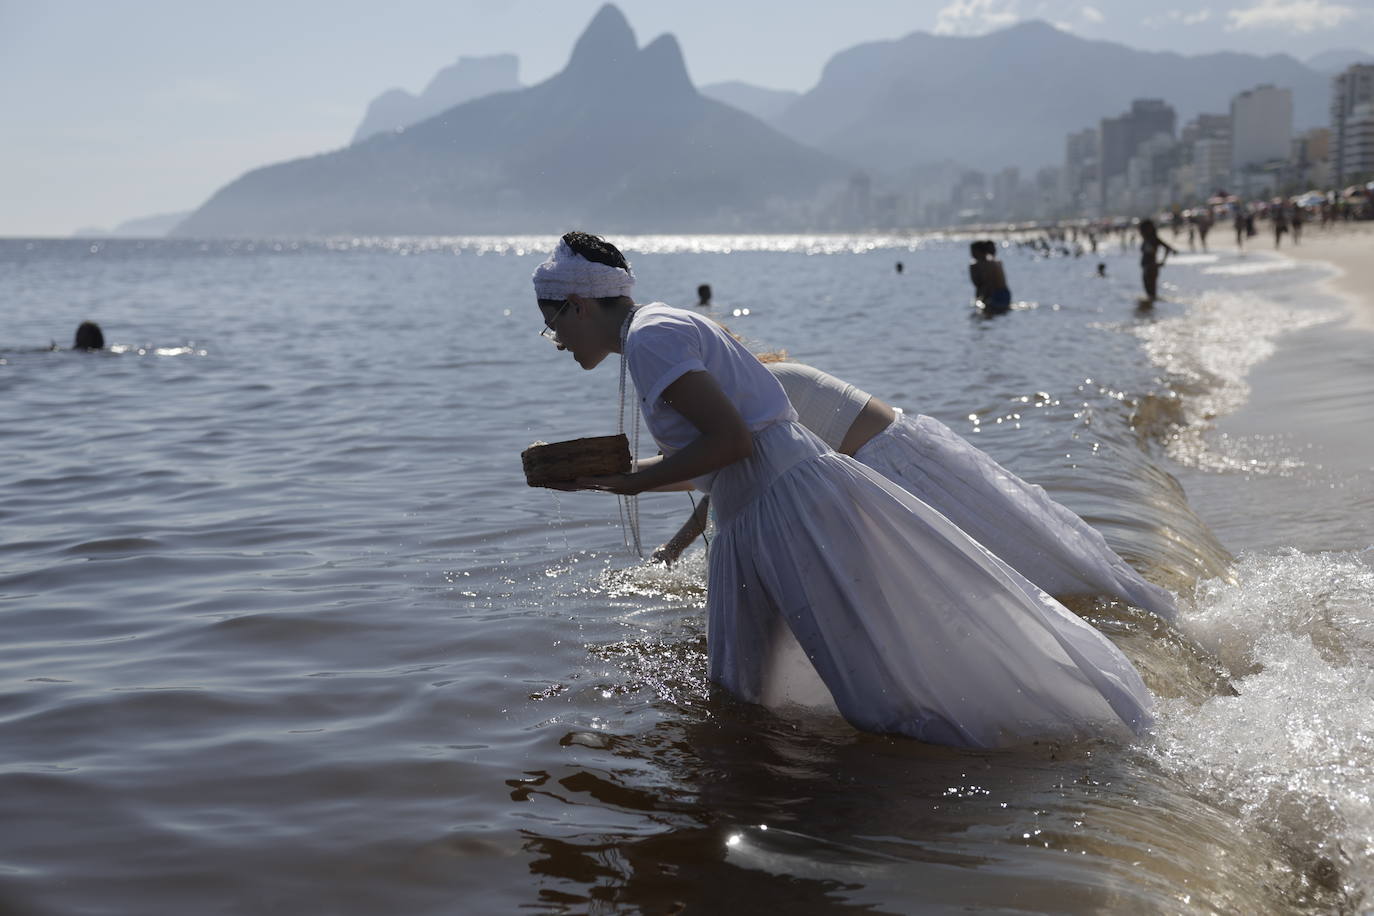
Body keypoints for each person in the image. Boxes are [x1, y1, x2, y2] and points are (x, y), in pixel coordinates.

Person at [533, 230, 1153, 748]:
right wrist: (612, 480)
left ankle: (1020, 768)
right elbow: (727, 453)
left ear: (578, 305)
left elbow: (734, 444)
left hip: (787, 510)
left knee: (866, 690)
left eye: (551, 324)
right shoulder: (657, 329)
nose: (555, 342)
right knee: (746, 690)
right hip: (762, 508)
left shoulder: (650, 336)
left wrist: (633, 482)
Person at [654, 358, 1178, 620]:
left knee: (1003, 573)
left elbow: (716, 469)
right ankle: (1123, 625)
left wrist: (625, 480)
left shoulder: (764, 395)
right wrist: (677, 545)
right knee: (1020, 556)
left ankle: (1107, 634)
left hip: (897, 472)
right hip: (904, 458)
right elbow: (723, 478)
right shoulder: (766, 384)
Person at [1138, 219, 1176, 303]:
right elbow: (1169, 249)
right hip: (1150, 267)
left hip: (1150, 267)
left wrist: (1163, 261)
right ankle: (1152, 311)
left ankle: (1151, 312)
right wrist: (1162, 262)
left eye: (1141, 230)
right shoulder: (1150, 239)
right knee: (1151, 294)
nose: (1140, 232)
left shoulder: (1152, 239)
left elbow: (1169, 249)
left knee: (1150, 294)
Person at [968, 241, 1011, 313]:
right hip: (1004, 294)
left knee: (985, 312)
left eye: (973, 251)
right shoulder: (995, 261)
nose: (971, 254)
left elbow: (987, 285)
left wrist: (982, 300)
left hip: (997, 295)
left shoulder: (987, 264)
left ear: (979, 251)